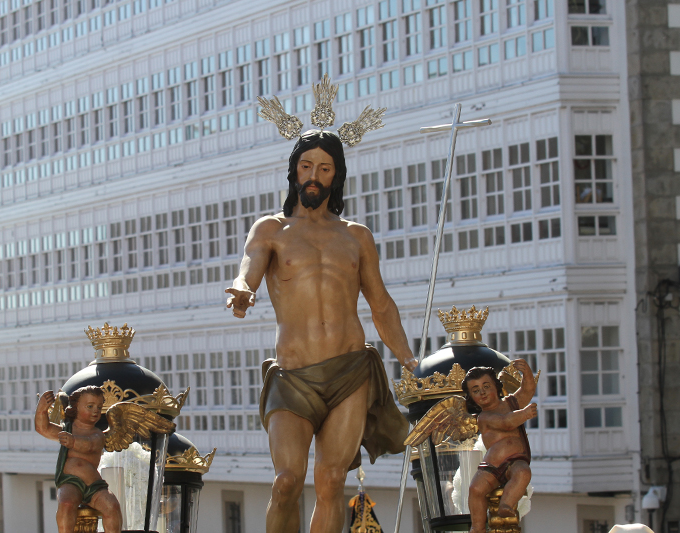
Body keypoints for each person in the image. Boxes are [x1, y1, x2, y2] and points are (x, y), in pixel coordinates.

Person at [225, 129, 417, 533]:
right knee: (286, 481)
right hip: (293, 376)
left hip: (350, 372)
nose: (314, 176)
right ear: (294, 171)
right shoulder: (271, 229)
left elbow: (381, 304)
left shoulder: (356, 235)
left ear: (336, 175)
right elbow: (249, 267)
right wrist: (242, 290)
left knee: (331, 480)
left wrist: (407, 357)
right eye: (306, 166)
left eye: (324, 168)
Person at [462, 361, 537, 533]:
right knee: (476, 489)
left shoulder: (511, 403)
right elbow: (506, 423)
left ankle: (506, 504)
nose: (482, 392)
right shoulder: (484, 417)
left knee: (523, 473)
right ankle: (477, 527)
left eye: (486, 386)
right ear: (471, 397)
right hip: (492, 465)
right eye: (476, 390)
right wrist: (524, 414)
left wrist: (527, 373)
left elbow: (527, 391)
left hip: (516, 460)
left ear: (496, 386)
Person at [35, 386, 122, 533]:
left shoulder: (97, 434)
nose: (95, 411)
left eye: (99, 407)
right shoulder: (66, 430)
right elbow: (43, 428)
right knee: (66, 504)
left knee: (112, 506)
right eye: (90, 406)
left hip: (93, 484)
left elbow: (90, 445)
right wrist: (42, 409)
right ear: (76, 407)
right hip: (70, 482)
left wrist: (73, 441)